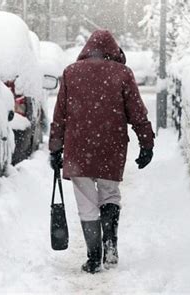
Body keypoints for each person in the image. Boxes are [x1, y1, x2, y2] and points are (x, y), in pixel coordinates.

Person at [49, 29, 155, 274]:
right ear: (115, 51)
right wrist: (146, 143)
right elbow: (137, 113)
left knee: (86, 202)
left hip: (78, 149)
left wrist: (55, 148)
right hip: (112, 146)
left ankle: (94, 257)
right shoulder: (123, 74)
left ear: (86, 49)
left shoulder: (71, 73)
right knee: (109, 194)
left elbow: (59, 116)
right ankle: (111, 245)